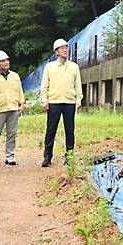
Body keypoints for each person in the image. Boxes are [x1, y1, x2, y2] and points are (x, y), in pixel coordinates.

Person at [41, 39, 82, 167]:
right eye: (62, 48)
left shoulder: (74, 67)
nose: (65, 50)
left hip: (69, 102)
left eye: (66, 47)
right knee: (51, 130)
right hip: (54, 102)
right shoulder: (49, 67)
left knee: (70, 130)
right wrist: (44, 100)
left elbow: (78, 85)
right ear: (56, 52)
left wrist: (78, 99)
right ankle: (47, 156)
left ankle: (69, 157)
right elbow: (44, 85)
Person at [0, 50, 24, 167]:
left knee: (11, 133)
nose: (6, 62)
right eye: (3, 61)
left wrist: (21, 104)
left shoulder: (15, 76)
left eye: (7, 60)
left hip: (13, 108)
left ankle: (10, 156)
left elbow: (20, 91)